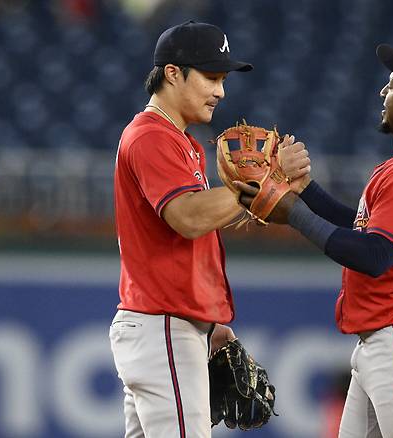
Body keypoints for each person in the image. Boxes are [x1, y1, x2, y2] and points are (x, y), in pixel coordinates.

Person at [235, 42, 393, 437]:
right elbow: (366, 231)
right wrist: (306, 192)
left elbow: (373, 255)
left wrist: (292, 212)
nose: (383, 91)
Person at [109, 20, 271, 438]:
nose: (221, 90)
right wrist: (259, 186)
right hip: (164, 327)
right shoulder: (151, 136)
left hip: (168, 324)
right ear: (173, 73)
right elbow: (187, 217)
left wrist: (213, 321)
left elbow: (195, 230)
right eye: (212, 77)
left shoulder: (179, 140)